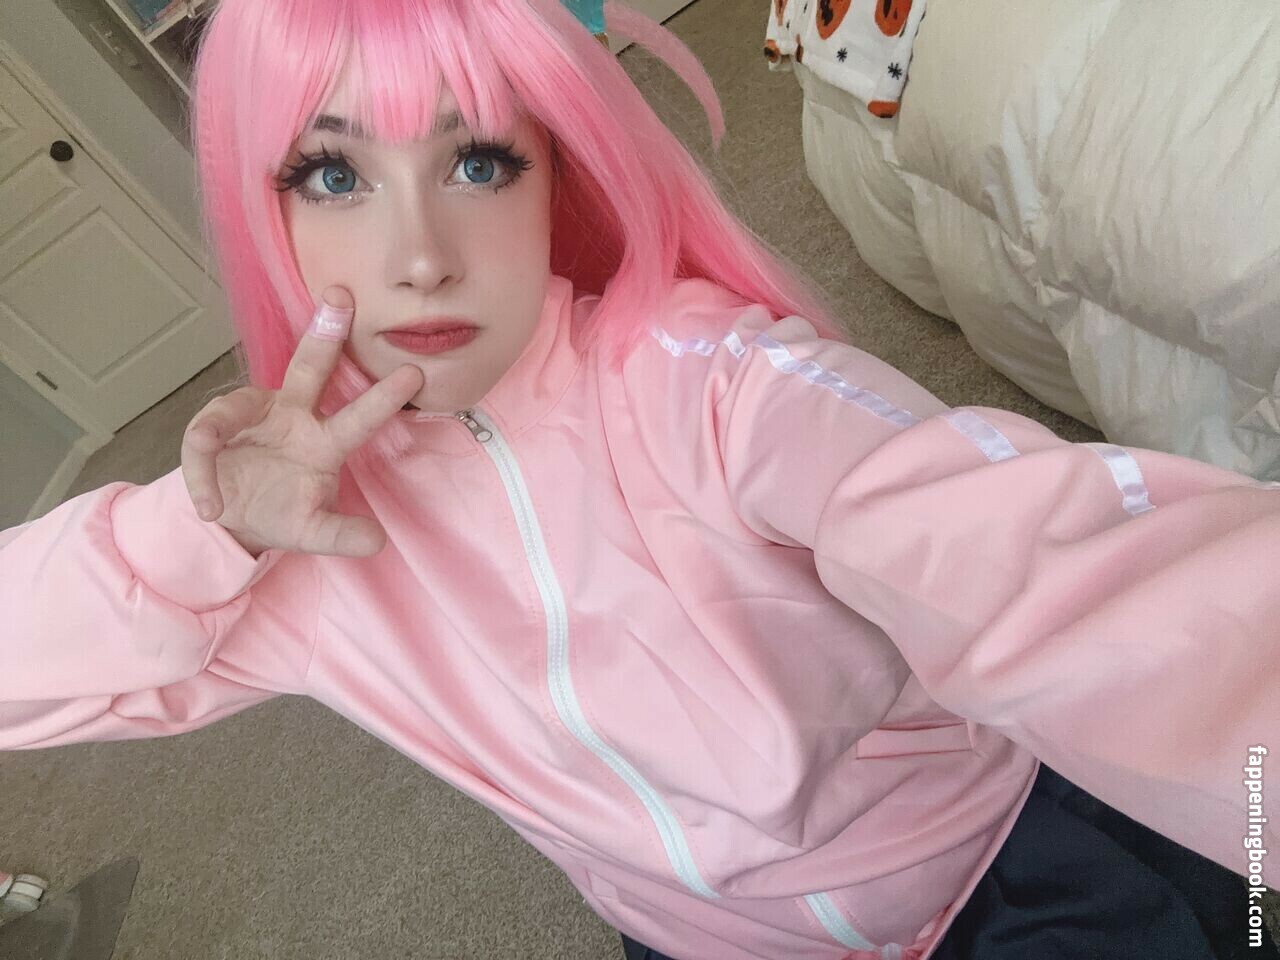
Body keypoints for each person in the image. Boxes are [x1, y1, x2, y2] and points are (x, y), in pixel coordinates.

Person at [2, 1, 1276, 957]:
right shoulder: (295, 539)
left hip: (1001, 873)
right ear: (264, 211)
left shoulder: (709, 381)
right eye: (334, 175)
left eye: (476, 162)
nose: (419, 256)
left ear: (554, 171)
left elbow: (1050, 563)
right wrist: (195, 537)